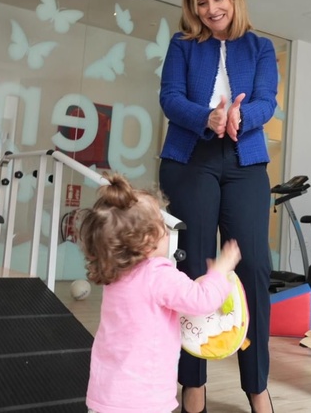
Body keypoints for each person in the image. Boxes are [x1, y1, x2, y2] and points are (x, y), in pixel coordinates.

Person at [158, 0, 277, 413]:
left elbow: (267, 100)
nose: (211, 9)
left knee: (253, 269)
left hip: (244, 158)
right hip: (191, 157)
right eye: (201, 2)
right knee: (193, 269)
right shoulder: (183, 45)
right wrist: (206, 116)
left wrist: (241, 117)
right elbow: (170, 97)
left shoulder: (260, 47)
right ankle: (193, 384)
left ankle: (257, 385)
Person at [79, 173, 242, 413]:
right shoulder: (159, 274)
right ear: (147, 241)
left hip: (105, 395)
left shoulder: (115, 275)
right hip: (144, 399)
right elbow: (201, 300)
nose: (168, 233)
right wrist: (221, 270)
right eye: (163, 228)